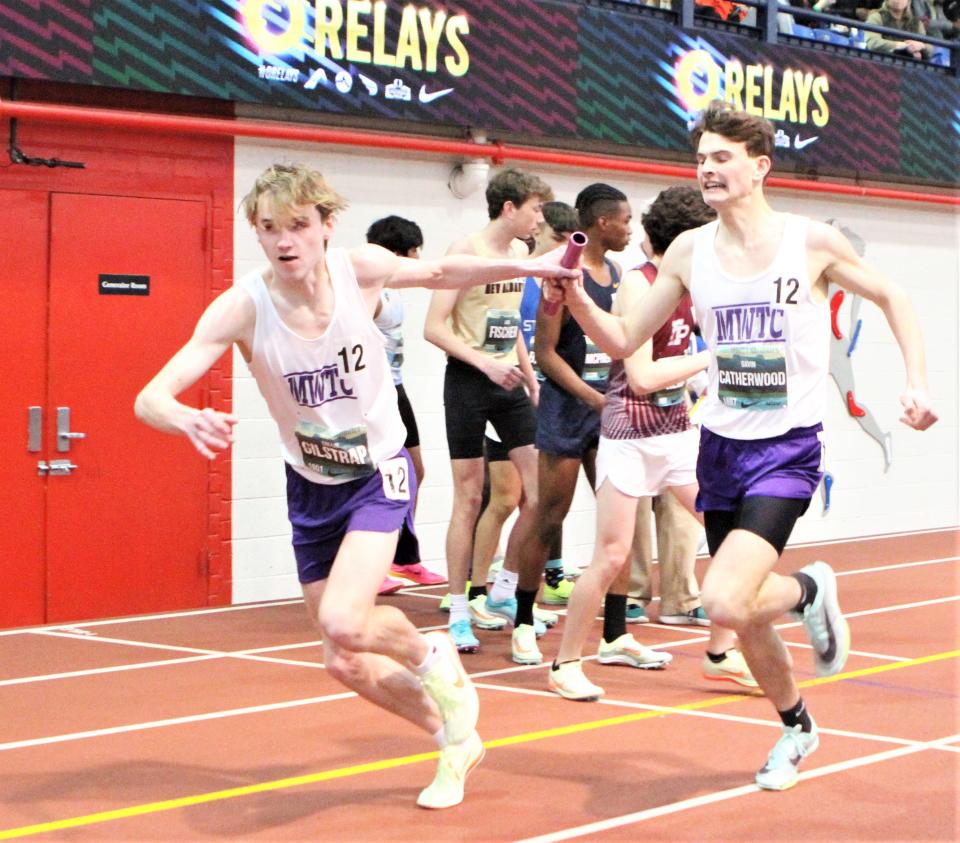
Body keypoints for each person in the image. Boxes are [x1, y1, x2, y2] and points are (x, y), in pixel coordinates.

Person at [134, 163, 577, 809]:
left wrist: (536, 269)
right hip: (310, 485)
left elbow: (440, 273)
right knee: (340, 657)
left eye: (298, 226)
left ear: (324, 226)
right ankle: (452, 733)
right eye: (268, 229)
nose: (285, 241)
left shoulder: (356, 270)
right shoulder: (242, 306)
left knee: (345, 617)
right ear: (255, 233)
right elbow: (149, 396)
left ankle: (430, 654)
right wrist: (180, 415)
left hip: (377, 472)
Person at [544, 102, 937, 790]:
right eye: (700, 158)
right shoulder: (692, 250)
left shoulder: (809, 242)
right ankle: (798, 722)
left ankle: (810, 588)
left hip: (786, 450)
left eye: (722, 157)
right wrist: (574, 298)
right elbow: (623, 339)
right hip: (720, 448)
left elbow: (893, 294)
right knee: (749, 619)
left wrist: (916, 381)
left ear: (759, 167)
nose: (707, 169)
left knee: (723, 599)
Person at [548, 185, 755, 700]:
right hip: (630, 436)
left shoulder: (694, 285)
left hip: (678, 435)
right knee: (611, 555)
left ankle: (721, 652)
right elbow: (640, 376)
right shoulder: (641, 287)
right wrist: (713, 357)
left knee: (731, 539)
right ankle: (565, 662)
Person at [424, 167, 554, 653]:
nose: (539, 220)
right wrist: (484, 363)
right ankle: (458, 610)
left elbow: (512, 322)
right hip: (467, 381)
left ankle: (505, 589)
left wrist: (527, 373)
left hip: (510, 382)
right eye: (536, 209)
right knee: (469, 498)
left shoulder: (520, 254)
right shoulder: (465, 253)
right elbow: (434, 327)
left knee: (540, 495)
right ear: (509, 207)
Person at [510, 183, 630, 666]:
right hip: (568, 410)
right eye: (625, 219)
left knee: (620, 525)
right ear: (602, 222)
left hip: (610, 411)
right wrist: (590, 397)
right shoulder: (561, 270)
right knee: (549, 516)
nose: (629, 228)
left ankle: (617, 636)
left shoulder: (617, 274)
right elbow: (544, 353)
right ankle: (522, 622)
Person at [365, 215, 446, 594]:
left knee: (414, 471)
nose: (419, 260)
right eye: (416, 253)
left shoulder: (392, 289)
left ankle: (404, 557)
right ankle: (372, 565)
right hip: (374, 396)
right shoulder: (370, 292)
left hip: (397, 390)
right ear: (399, 253)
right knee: (382, 480)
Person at [865, 0, 933, 57]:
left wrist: (921, 46)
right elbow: (873, 43)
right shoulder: (876, 17)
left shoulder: (917, 22)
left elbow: (931, 49)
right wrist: (904, 46)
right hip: (880, 64)